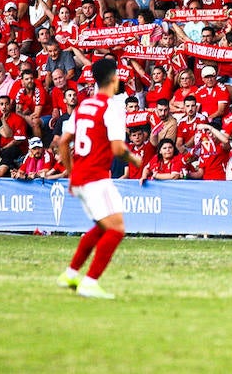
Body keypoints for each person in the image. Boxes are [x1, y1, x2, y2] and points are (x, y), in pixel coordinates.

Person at [54, 57, 142, 300]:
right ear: (114, 79)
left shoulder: (83, 106)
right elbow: (117, 149)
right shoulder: (111, 107)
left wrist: (72, 175)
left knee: (103, 226)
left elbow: (63, 142)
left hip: (81, 177)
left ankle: (71, 273)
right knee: (117, 230)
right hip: (96, 177)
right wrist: (135, 160)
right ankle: (90, 282)